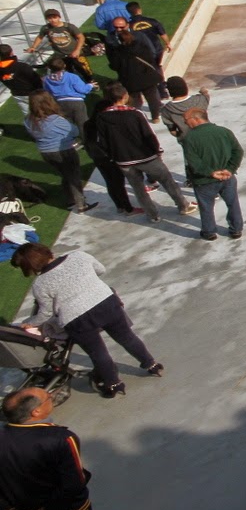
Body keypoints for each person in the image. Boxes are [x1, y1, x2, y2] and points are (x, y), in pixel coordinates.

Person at [11, 244, 163, 398]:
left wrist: (30, 322)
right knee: (127, 337)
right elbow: (100, 270)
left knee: (98, 352)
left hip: (77, 320)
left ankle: (114, 384)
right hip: (106, 304)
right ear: (47, 251)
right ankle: (151, 364)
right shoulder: (79, 256)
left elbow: (46, 313)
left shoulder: (40, 284)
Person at [95, 82, 193, 222]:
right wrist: (157, 151)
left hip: (124, 161)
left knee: (138, 188)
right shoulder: (135, 113)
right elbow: (148, 135)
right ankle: (183, 205)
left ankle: (152, 215)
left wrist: (114, 157)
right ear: (125, 96)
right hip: (146, 157)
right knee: (167, 180)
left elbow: (103, 142)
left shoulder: (102, 117)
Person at [181, 108, 244, 241]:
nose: (185, 123)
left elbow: (193, 162)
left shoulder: (189, 139)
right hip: (228, 178)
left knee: (206, 208)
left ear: (196, 119)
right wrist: (230, 169)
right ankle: (236, 229)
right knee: (233, 203)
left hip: (203, 181)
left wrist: (211, 173)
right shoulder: (224, 132)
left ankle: (209, 232)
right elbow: (237, 151)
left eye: (186, 120)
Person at [23, 93, 92, 213]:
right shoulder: (55, 120)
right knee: (73, 176)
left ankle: (71, 201)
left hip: (46, 153)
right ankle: (81, 204)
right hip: (63, 151)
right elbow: (74, 131)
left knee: (65, 174)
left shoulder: (28, 120)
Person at [28, 11, 87, 78]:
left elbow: (81, 37)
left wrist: (77, 50)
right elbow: (40, 37)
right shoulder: (46, 28)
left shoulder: (69, 27)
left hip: (75, 53)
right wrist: (33, 47)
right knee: (68, 72)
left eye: (54, 17)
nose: (52, 20)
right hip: (61, 55)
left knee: (85, 70)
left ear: (59, 17)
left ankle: (92, 82)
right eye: (50, 18)